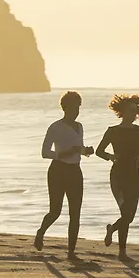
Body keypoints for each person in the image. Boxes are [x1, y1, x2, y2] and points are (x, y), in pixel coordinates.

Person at [35, 90, 92, 260]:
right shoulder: (55, 127)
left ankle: (71, 252)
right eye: (74, 107)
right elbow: (45, 152)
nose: (76, 111)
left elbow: (77, 149)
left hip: (75, 171)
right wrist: (64, 154)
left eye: (79, 107)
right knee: (55, 211)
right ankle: (41, 232)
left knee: (75, 213)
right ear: (65, 107)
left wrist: (86, 151)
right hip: (58, 170)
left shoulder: (80, 127)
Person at [96, 93, 139, 260]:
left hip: (134, 175)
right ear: (122, 112)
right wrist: (110, 157)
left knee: (130, 216)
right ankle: (122, 253)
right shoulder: (113, 131)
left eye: (135, 111)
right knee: (125, 212)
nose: (133, 114)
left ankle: (112, 229)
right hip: (118, 175)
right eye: (130, 111)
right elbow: (99, 151)